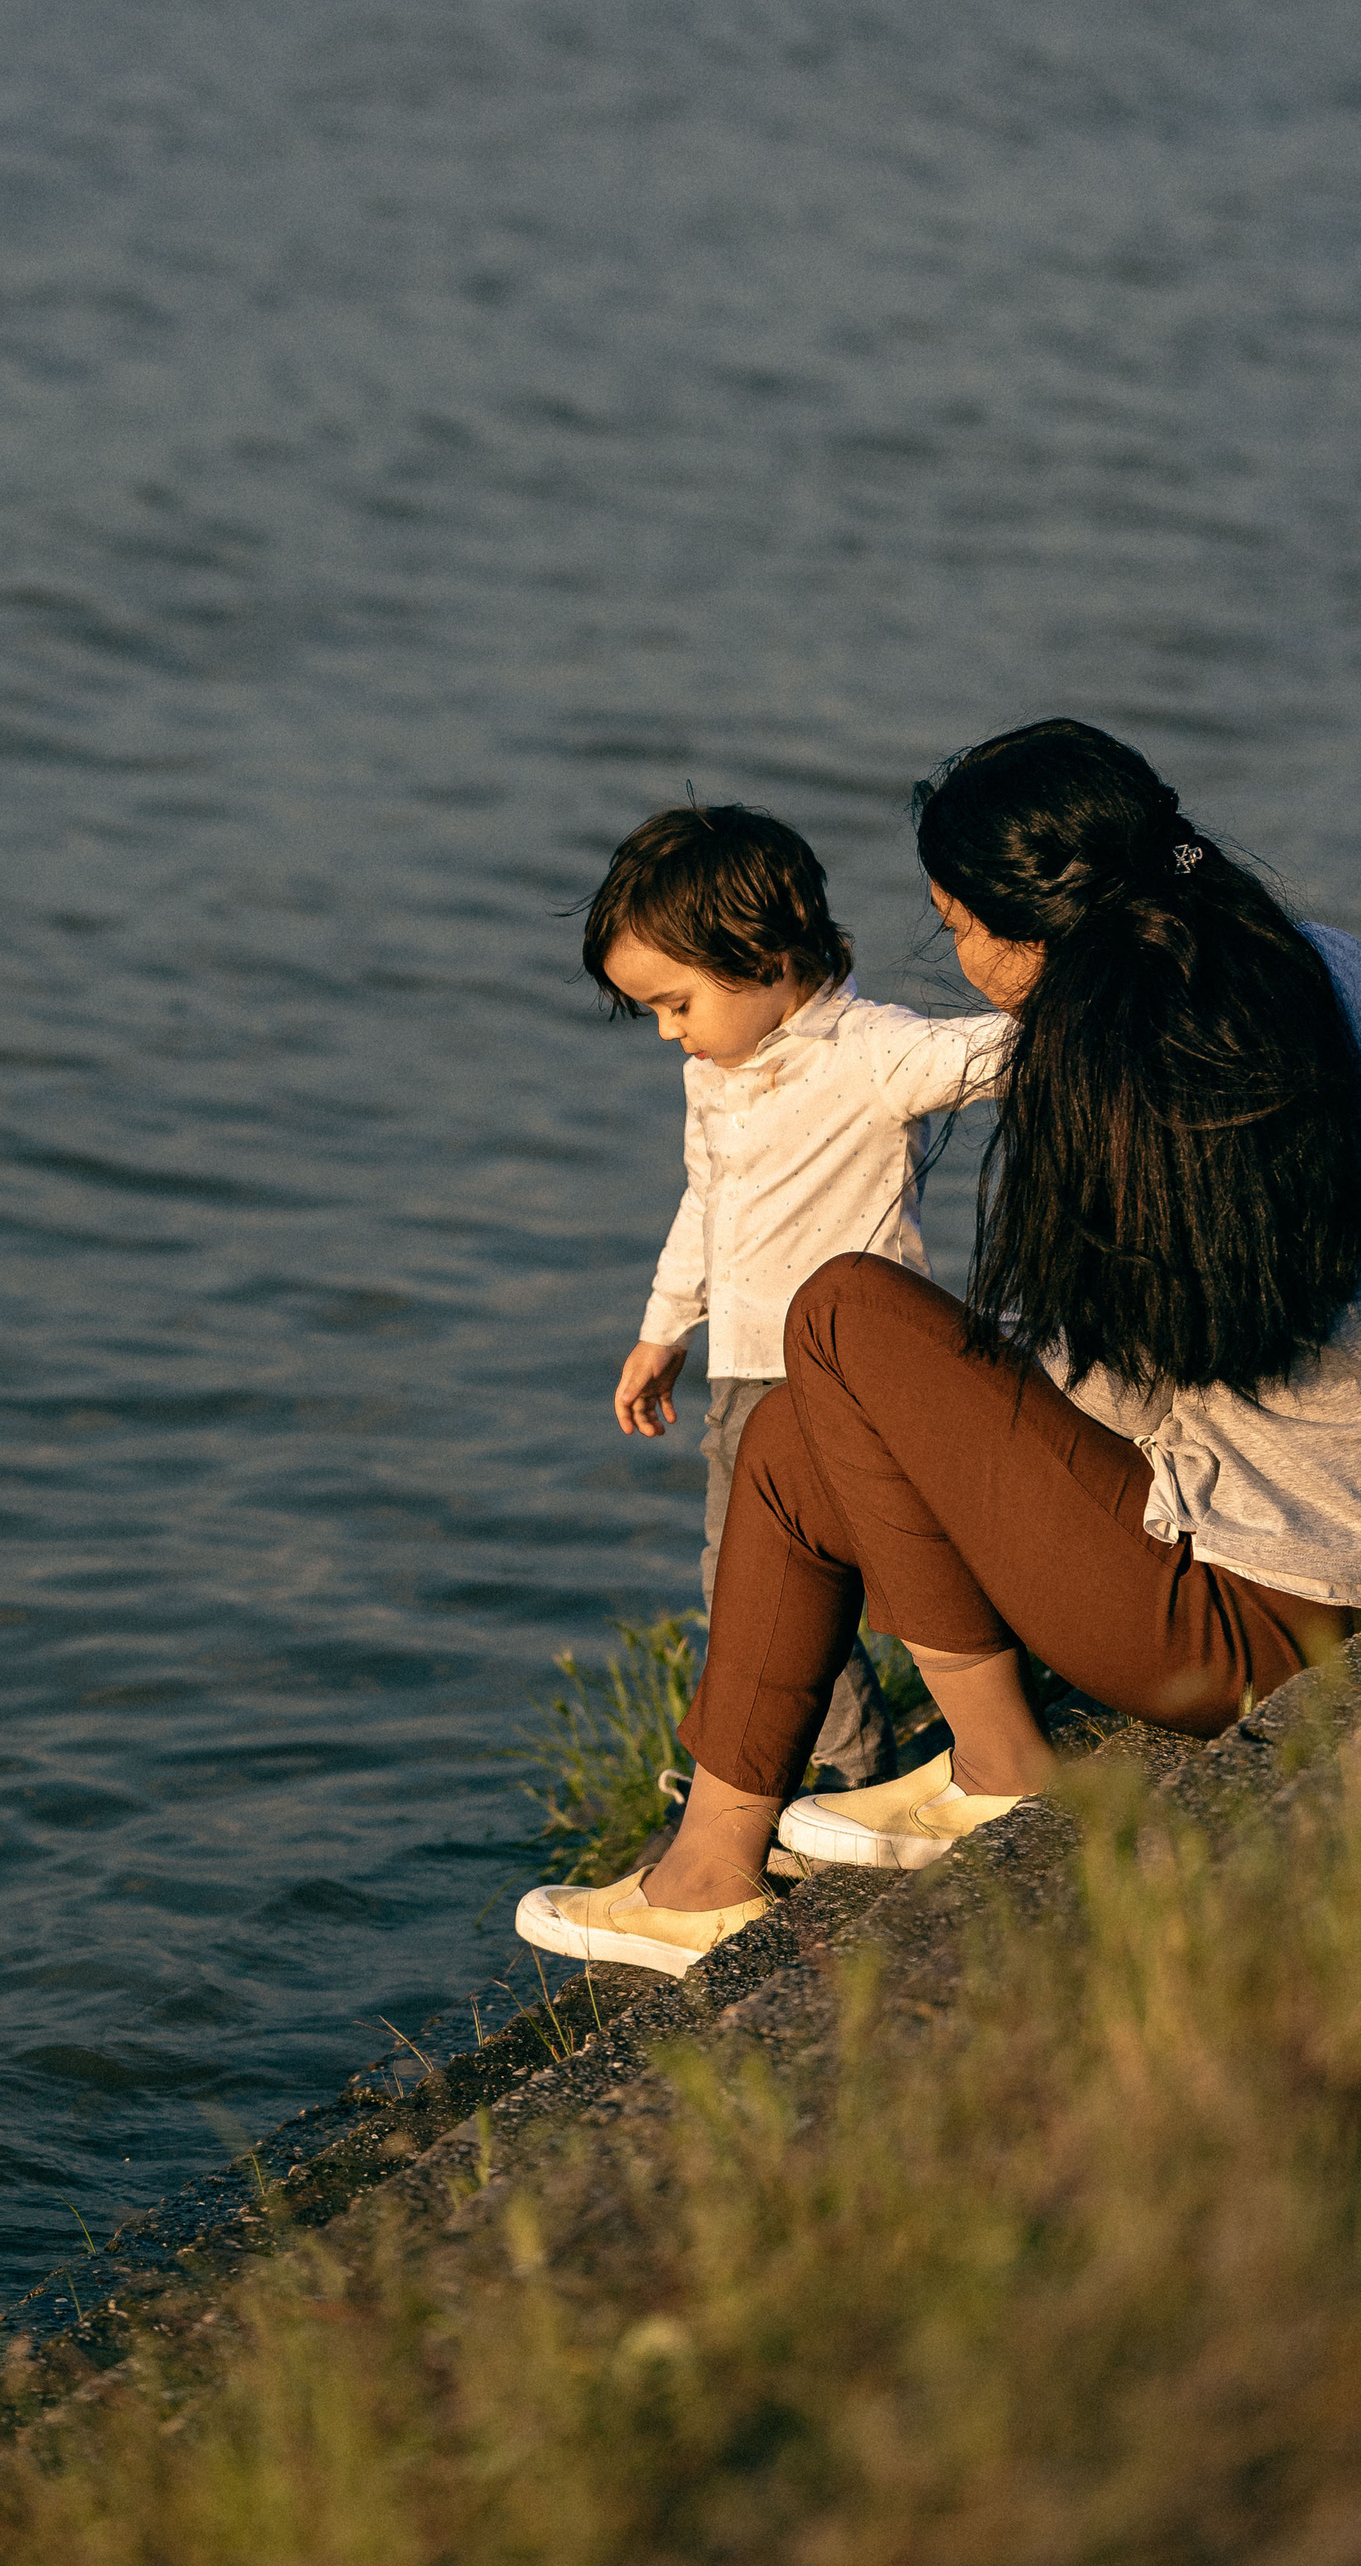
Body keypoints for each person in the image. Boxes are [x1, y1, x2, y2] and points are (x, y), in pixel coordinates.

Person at [522, 720, 1361, 1977]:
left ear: (1033, 925)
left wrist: (941, 1409)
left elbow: (1146, 1379)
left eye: (957, 923)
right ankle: (706, 1871)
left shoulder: (1117, 1062)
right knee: (799, 1420)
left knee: (840, 1312)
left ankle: (1000, 1763)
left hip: (1249, 1619)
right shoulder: (1315, 965)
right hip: (1288, 1555)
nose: (956, 959)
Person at [585, 803, 1010, 1790]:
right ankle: (849, 1771)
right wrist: (663, 1328)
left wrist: (1112, 1002)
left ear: (766, 955)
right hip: (744, 1376)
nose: (668, 1032)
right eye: (652, 1012)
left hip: (854, 1376)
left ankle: (962, 1751)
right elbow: (707, 1199)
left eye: (677, 1003)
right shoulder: (716, 1074)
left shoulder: (869, 1051)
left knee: (902, 1573)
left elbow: (991, 1052)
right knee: (751, 1589)